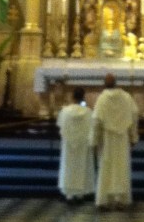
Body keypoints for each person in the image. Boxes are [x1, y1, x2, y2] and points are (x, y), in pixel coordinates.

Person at [90, 72, 138, 209]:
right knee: (121, 167)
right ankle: (120, 199)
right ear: (115, 83)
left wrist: (94, 140)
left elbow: (96, 120)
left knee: (106, 168)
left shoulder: (102, 99)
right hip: (122, 137)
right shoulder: (127, 97)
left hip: (107, 139)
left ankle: (104, 200)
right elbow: (134, 115)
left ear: (104, 84)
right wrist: (133, 136)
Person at [57, 86, 95, 203]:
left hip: (69, 144)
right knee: (82, 166)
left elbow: (60, 126)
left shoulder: (65, 111)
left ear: (72, 96)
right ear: (83, 97)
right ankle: (80, 195)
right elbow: (92, 128)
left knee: (68, 166)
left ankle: (68, 194)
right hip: (83, 144)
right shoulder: (88, 112)